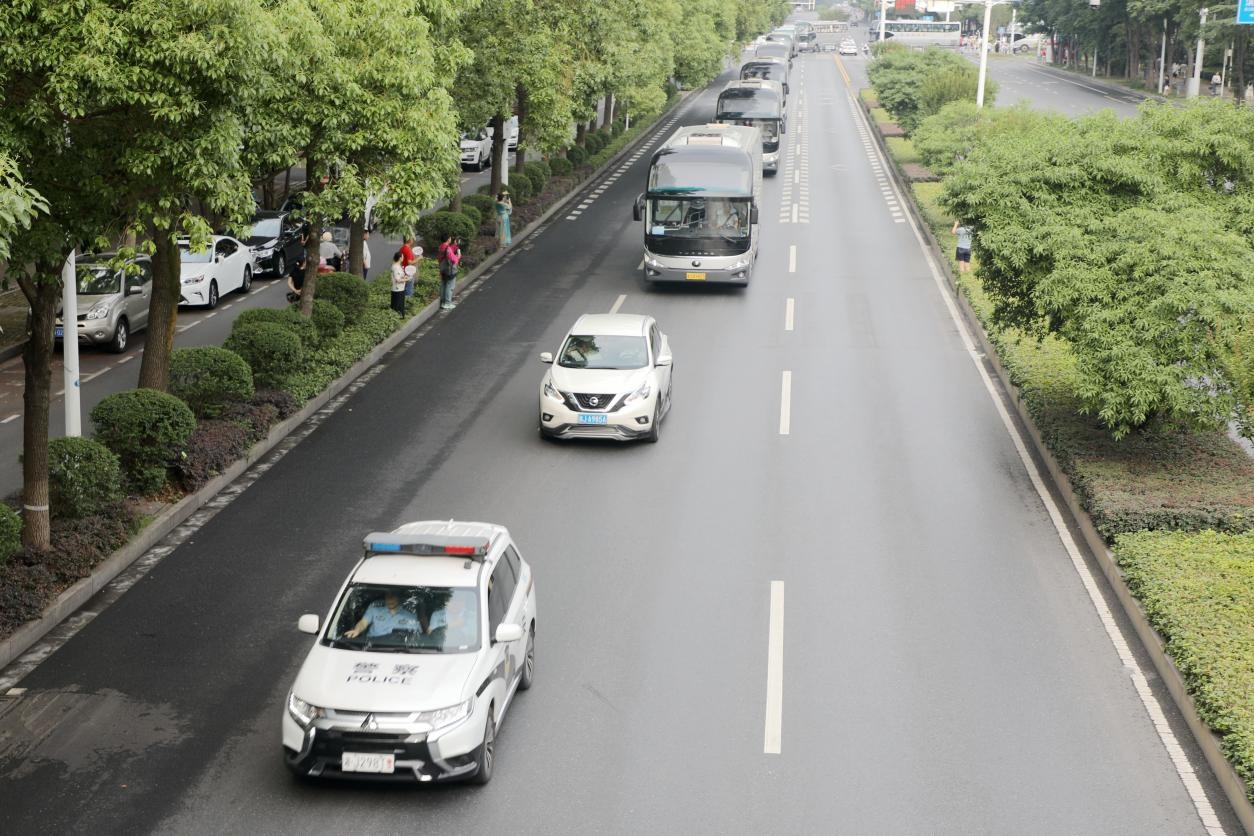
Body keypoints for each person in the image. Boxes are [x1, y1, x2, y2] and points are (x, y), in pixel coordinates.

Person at [344, 591, 420, 639]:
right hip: (372, 647)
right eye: (387, 595)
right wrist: (357, 630)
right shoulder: (374, 610)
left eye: (393, 595)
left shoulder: (410, 616)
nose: (389, 598)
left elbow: (416, 636)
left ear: (399, 597)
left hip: (399, 650)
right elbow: (363, 623)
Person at [436, 233, 460, 311]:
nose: (451, 239)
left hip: (443, 269)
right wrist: (458, 255)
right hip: (450, 270)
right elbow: (454, 259)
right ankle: (447, 303)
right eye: (450, 238)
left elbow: (448, 251)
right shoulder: (447, 248)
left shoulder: (441, 246)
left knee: (444, 285)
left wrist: (454, 245)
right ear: (448, 239)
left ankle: (443, 302)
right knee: (450, 286)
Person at [389, 251, 407, 315]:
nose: (403, 258)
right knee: (397, 306)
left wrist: (404, 277)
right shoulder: (396, 267)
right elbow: (398, 280)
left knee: (399, 305)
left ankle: (399, 316)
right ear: (400, 258)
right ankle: (398, 317)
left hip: (400, 288)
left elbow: (399, 276)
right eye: (402, 257)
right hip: (397, 289)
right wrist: (407, 279)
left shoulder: (398, 266)